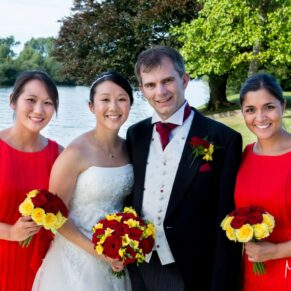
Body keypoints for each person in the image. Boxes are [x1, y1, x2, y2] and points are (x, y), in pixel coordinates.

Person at [126, 46, 243, 291]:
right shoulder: (135, 134)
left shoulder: (223, 138)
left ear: (185, 80)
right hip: (140, 267)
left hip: (192, 270)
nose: (160, 92)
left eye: (168, 80)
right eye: (150, 85)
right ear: (142, 90)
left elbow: (226, 221)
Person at [32, 71, 133, 291]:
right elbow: (55, 217)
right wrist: (99, 252)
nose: (113, 107)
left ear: (130, 105)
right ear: (91, 106)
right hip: (76, 258)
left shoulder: (130, 148)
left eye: (122, 99)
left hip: (117, 257)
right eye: (105, 99)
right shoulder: (74, 153)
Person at [0, 70, 62, 291]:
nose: (39, 110)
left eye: (48, 103)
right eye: (31, 100)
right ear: (13, 101)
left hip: (42, 267)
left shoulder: (59, 154)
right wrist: (9, 232)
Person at [234, 73, 291, 290]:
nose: (260, 117)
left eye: (268, 107)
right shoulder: (245, 156)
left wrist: (276, 251)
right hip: (254, 273)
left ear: (282, 106)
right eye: (250, 110)